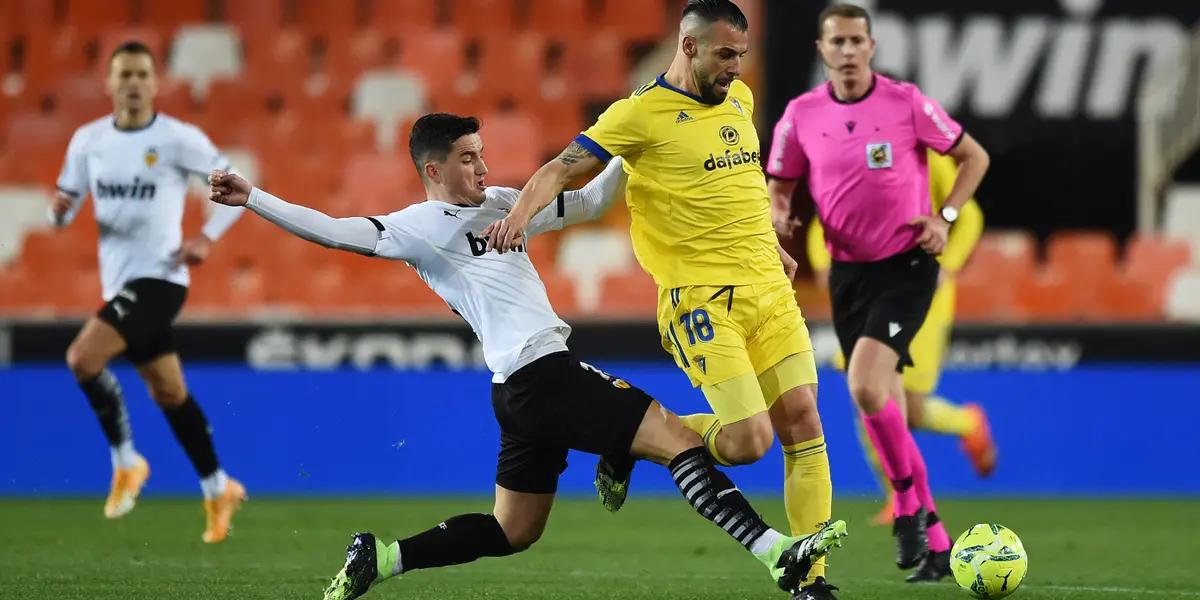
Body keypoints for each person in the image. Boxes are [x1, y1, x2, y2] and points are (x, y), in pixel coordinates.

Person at [208, 113, 847, 600]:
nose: (482, 169)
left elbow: (593, 201)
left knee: (513, 530)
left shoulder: (500, 206)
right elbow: (336, 232)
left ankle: (383, 557)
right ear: (432, 170)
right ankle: (773, 551)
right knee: (676, 437)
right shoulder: (419, 229)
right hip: (544, 374)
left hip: (515, 394)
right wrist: (254, 198)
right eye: (466, 159)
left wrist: (637, 135)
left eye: (482, 155)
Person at [483, 3, 838, 597]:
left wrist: (770, 245)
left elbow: (740, 184)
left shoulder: (741, 103)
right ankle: (635, 443)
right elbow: (559, 170)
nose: (735, 69)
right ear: (689, 46)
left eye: (741, 57)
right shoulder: (638, 114)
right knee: (749, 443)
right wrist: (518, 216)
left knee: (802, 421)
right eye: (725, 55)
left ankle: (812, 580)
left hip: (769, 290)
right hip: (700, 300)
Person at [765, 3, 991, 583]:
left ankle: (907, 507)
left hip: (907, 265)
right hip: (848, 274)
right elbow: (781, 186)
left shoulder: (905, 102)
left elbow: (974, 157)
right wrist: (780, 214)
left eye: (855, 41)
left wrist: (944, 215)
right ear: (821, 50)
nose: (846, 51)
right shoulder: (800, 115)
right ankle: (937, 543)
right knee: (883, 402)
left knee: (867, 386)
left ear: (870, 46)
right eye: (835, 41)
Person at [50, 40, 246, 543]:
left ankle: (126, 462)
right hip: (119, 282)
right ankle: (218, 486)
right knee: (169, 392)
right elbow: (66, 205)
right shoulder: (87, 141)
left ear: (155, 83)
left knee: (82, 359)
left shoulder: (179, 139)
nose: (133, 83)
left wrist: (205, 237)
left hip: (161, 279)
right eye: (124, 75)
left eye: (141, 74)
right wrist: (59, 212)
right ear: (110, 83)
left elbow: (235, 187)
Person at [782, 149, 997, 525]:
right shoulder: (849, 156)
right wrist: (824, 265)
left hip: (921, 292)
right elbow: (823, 225)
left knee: (908, 408)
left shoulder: (926, 155)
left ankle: (967, 423)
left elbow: (970, 215)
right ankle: (898, 498)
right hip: (865, 293)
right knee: (866, 393)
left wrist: (948, 263)